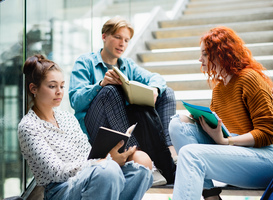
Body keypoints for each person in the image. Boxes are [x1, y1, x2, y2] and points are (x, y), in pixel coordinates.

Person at [18, 54, 153, 200]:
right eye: (52, 86)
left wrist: (107, 158)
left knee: (141, 169)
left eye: (62, 86)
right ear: (33, 88)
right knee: (108, 170)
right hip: (60, 189)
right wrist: (105, 162)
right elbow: (55, 172)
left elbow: (87, 153)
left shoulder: (66, 117)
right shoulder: (28, 127)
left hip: (87, 175)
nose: (59, 91)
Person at [68, 16, 177, 183]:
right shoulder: (85, 62)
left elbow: (157, 78)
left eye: (126, 40)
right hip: (95, 128)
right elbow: (75, 100)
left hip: (123, 123)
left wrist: (155, 89)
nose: (122, 44)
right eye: (117, 37)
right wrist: (100, 84)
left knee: (166, 92)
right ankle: (135, 152)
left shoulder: (127, 65)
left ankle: (168, 151)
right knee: (110, 90)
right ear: (104, 37)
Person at [169, 26, 273, 200]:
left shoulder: (249, 78)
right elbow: (221, 132)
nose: (199, 59)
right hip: (238, 154)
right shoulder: (218, 90)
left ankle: (210, 196)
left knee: (189, 153)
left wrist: (226, 141)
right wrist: (205, 126)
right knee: (177, 123)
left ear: (221, 53)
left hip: (265, 158)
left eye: (205, 54)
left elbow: (268, 132)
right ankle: (211, 195)